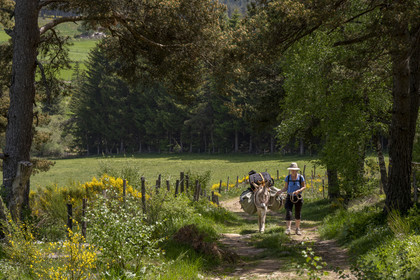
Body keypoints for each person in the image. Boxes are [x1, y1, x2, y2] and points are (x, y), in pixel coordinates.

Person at [277, 162, 306, 235]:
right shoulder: (288, 177)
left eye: (294, 170)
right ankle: (288, 229)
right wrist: (281, 191)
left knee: (297, 213)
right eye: (292, 170)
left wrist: (298, 191)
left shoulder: (300, 177)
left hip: (298, 197)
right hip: (289, 197)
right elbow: (286, 188)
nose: (293, 171)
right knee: (288, 212)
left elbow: (304, 186)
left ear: (296, 170)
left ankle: (297, 229)